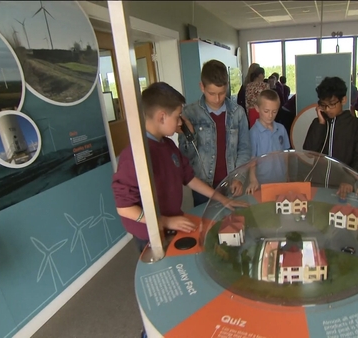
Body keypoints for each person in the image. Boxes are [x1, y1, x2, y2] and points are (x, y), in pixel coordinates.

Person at [111, 82, 248, 254]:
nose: (180, 122)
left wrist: (221, 198)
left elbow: (189, 178)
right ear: (161, 117)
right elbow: (124, 207)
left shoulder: (167, 144)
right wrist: (165, 221)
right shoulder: (134, 155)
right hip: (150, 234)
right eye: (177, 116)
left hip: (172, 223)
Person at [179, 60, 252, 207]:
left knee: (232, 223)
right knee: (207, 224)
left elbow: (244, 148)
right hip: (203, 184)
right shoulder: (190, 113)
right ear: (202, 87)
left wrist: (239, 177)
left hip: (231, 182)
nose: (217, 99)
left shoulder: (238, 113)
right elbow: (185, 155)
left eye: (222, 93)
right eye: (212, 93)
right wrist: (190, 135)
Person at [303, 76, 358, 176]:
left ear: (343, 100)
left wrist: (350, 179)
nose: (327, 109)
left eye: (332, 104)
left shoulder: (356, 125)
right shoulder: (319, 123)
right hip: (319, 179)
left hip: (344, 181)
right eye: (323, 105)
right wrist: (320, 124)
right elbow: (309, 152)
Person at [246, 90, 291, 194]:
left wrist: (287, 174)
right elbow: (252, 159)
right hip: (262, 182)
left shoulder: (281, 129)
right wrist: (253, 179)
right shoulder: (253, 133)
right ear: (257, 108)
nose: (270, 115)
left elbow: (286, 154)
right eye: (266, 111)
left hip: (281, 179)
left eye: (274, 111)